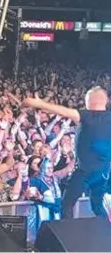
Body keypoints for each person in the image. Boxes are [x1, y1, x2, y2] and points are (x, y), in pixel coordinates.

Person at [22, 87, 111, 219]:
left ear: (89, 102)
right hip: (103, 172)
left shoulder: (85, 116)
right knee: (97, 205)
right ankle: (106, 234)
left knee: (67, 204)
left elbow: (62, 111)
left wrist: (38, 103)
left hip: (84, 172)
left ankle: (68, 237)